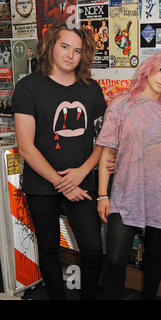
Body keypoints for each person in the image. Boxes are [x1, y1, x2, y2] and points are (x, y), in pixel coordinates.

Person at [12, 23, 106, 300]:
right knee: (50, 248)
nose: (70, 55)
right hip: (42, 185)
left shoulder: (92, 90)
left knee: (92, 249)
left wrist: (83, 171)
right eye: (64, 47)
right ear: (51, 46)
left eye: (77, 50)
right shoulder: (28, 87)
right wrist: (63, 183)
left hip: (82, 181)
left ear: (84, 55)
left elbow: (104, 140)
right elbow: (26, 148)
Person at [96, 51, 161, 300]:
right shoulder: (121, 103)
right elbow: (107, 151)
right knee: (115, 258)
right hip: (126, 192)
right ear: (149, 68)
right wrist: (102, 195)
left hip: (160, 192)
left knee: (154, 255)